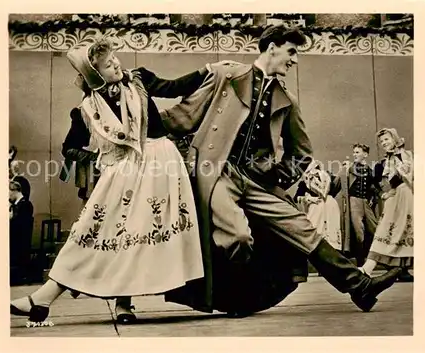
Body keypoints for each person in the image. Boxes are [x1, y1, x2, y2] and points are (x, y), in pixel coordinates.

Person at [160, 25, 402, 314]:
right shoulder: (228, 76)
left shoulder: (286, 99)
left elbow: (302, 153)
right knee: (237, 237)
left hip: (257, 181)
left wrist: (276, 177)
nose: (295, 60)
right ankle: (237, 298)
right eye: (291, 51)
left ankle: (359, 287)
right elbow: (184, 115)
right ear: (271, 47)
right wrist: (134, 122)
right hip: (218, 174)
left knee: (303, 229)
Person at [10, 38, 211, 324]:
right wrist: (96, 160)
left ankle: (120, 304)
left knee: (133, 236)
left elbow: (174, 87)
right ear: (96, 75)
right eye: (108, 65)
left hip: (159, 164)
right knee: (93, 230)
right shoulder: (87, 109)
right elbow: (69, 147)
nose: (116, 65)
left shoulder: (140, 80)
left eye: (114, 59)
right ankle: (44, 297)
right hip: (121, 171)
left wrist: (207, 70)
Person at [359, 128, 414, 281]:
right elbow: (373, 183)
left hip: (409, 195)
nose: (384, 143)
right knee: (386, 229)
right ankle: (368, 267)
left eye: (387, 139)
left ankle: (402, 269)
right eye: (382, 141)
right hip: (396, 198)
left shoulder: (408, 156)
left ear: (395, 139)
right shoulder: (383, 163)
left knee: (405, 231)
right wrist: (383, 193)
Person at [335, 144, 380, 267]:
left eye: (357, 152)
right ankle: (360, 261)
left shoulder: (370, 170)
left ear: (365, 154)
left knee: (376, 230)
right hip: (354, 202)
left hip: (365, 202)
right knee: (358, 232)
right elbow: (337, 183)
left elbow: (374, 188)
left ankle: (377, 259)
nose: (354, 154)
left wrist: (372, 199)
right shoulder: (349, 168)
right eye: (354, 152)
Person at [294, 160, 342, 251]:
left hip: (330, 207)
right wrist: (309, 199)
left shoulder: (328, 177)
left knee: (332, 230)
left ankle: (333, 251)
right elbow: (296, 198)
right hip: (316, 208)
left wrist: (343, 170)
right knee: (316, 229)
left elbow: (337, 185)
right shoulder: (305, 182)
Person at [9, 180, 34, 285]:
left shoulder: (25, 205)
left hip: (20, 242)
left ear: (14, 191)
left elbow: (21, 226)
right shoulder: (17, 205)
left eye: (8, 192)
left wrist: (11, 219)